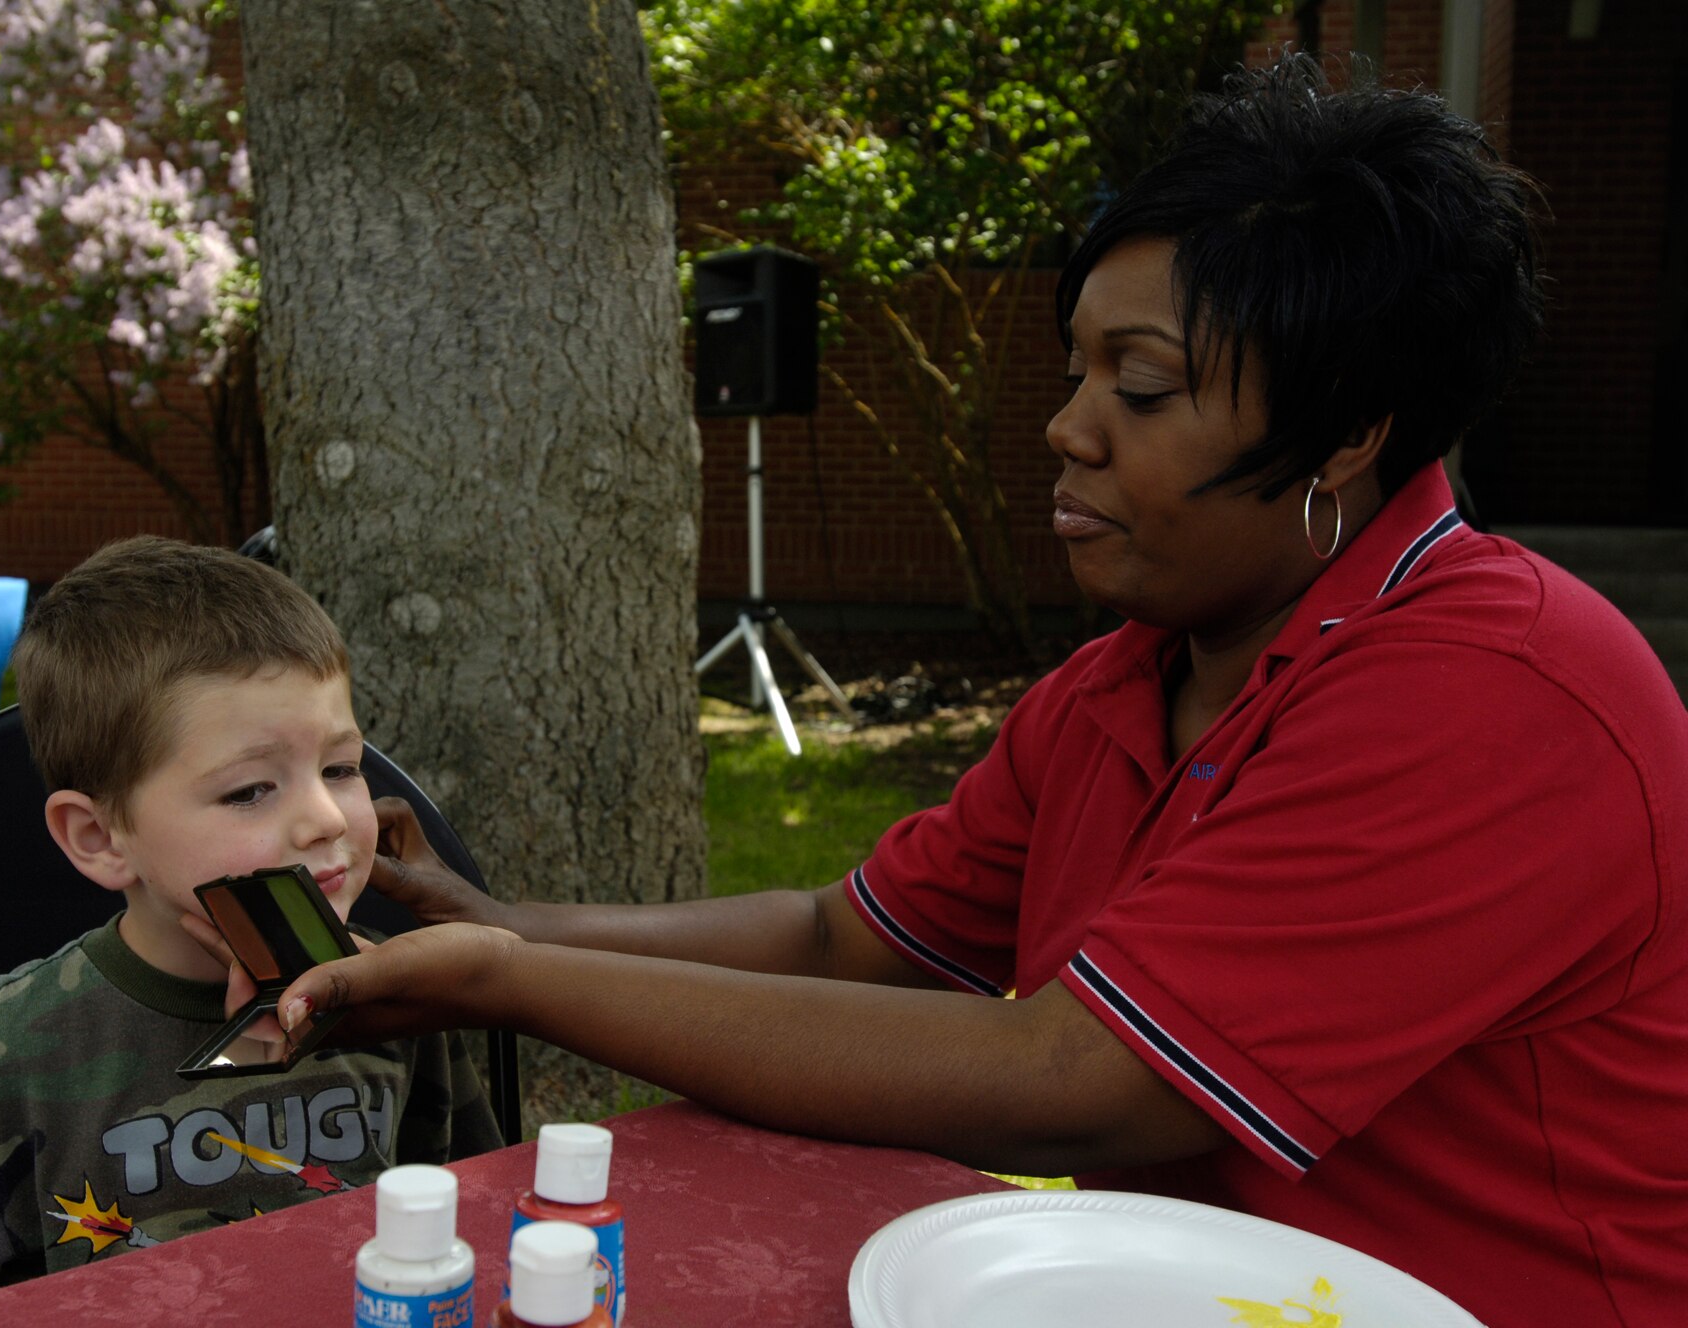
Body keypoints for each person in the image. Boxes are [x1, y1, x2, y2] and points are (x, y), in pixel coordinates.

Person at [198, 56, 1688, 1327]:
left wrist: (510, 985)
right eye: (1077, 372)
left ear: (1348, 434)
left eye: (1143, 388)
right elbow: (849, 940)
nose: (1067, 428)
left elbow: (1074, 1078)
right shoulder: (1125, 684)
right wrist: (513, 923)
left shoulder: (1494, 690)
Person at [0, 537, 502, 1309]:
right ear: (100, 838)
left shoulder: (401, 1004)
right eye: (250, 790)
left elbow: (481, 1236)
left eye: (340, 768)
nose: (325, 817)